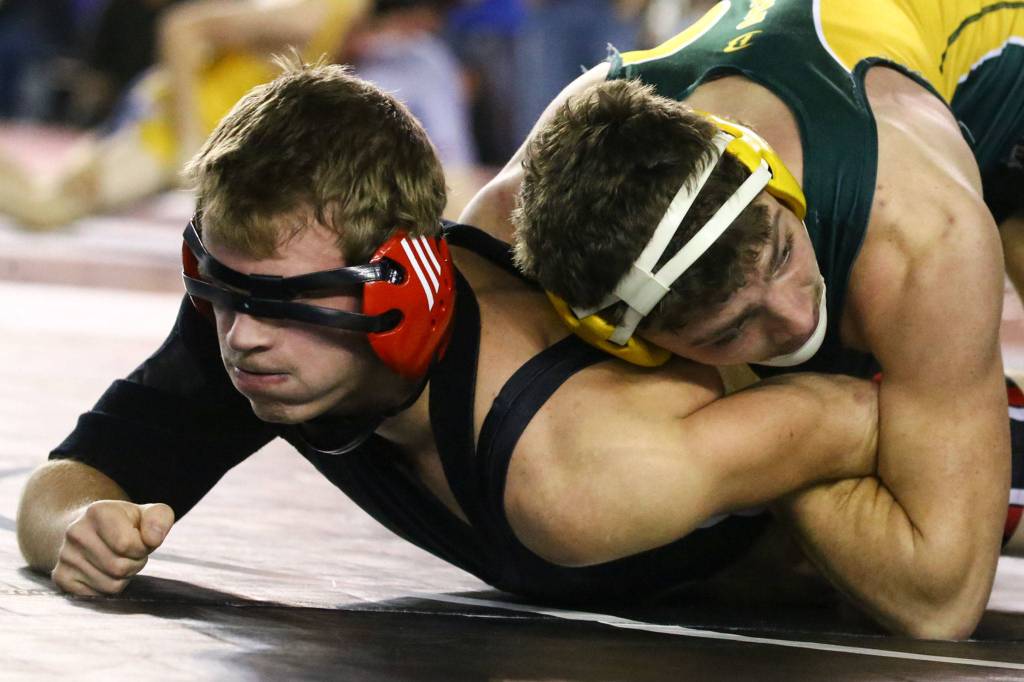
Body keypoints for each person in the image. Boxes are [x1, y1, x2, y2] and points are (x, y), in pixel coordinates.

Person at [17, 58, 904, 637]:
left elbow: (863, 413)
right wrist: (78, 529)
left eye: (283, 304)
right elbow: (72, 477)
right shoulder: (261, 325)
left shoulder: (565, 444)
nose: (243, 337)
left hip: (838, 512)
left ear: (407, 279)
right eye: (221, 292)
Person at [473, 0, 1024, 638]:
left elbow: (939, 602)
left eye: (783, 252)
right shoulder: (518, 213)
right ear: (623, 337)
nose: (795, 317)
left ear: (776, 183)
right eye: (730, 329)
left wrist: (765, 428)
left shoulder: (920, 229)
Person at [0, 0, 368, 228]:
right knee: (49, 211)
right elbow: (181, 26)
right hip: (169, 133)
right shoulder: (310, 13)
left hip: (177, 121)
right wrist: (191, 140)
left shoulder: (334, 14)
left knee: (49, 196)